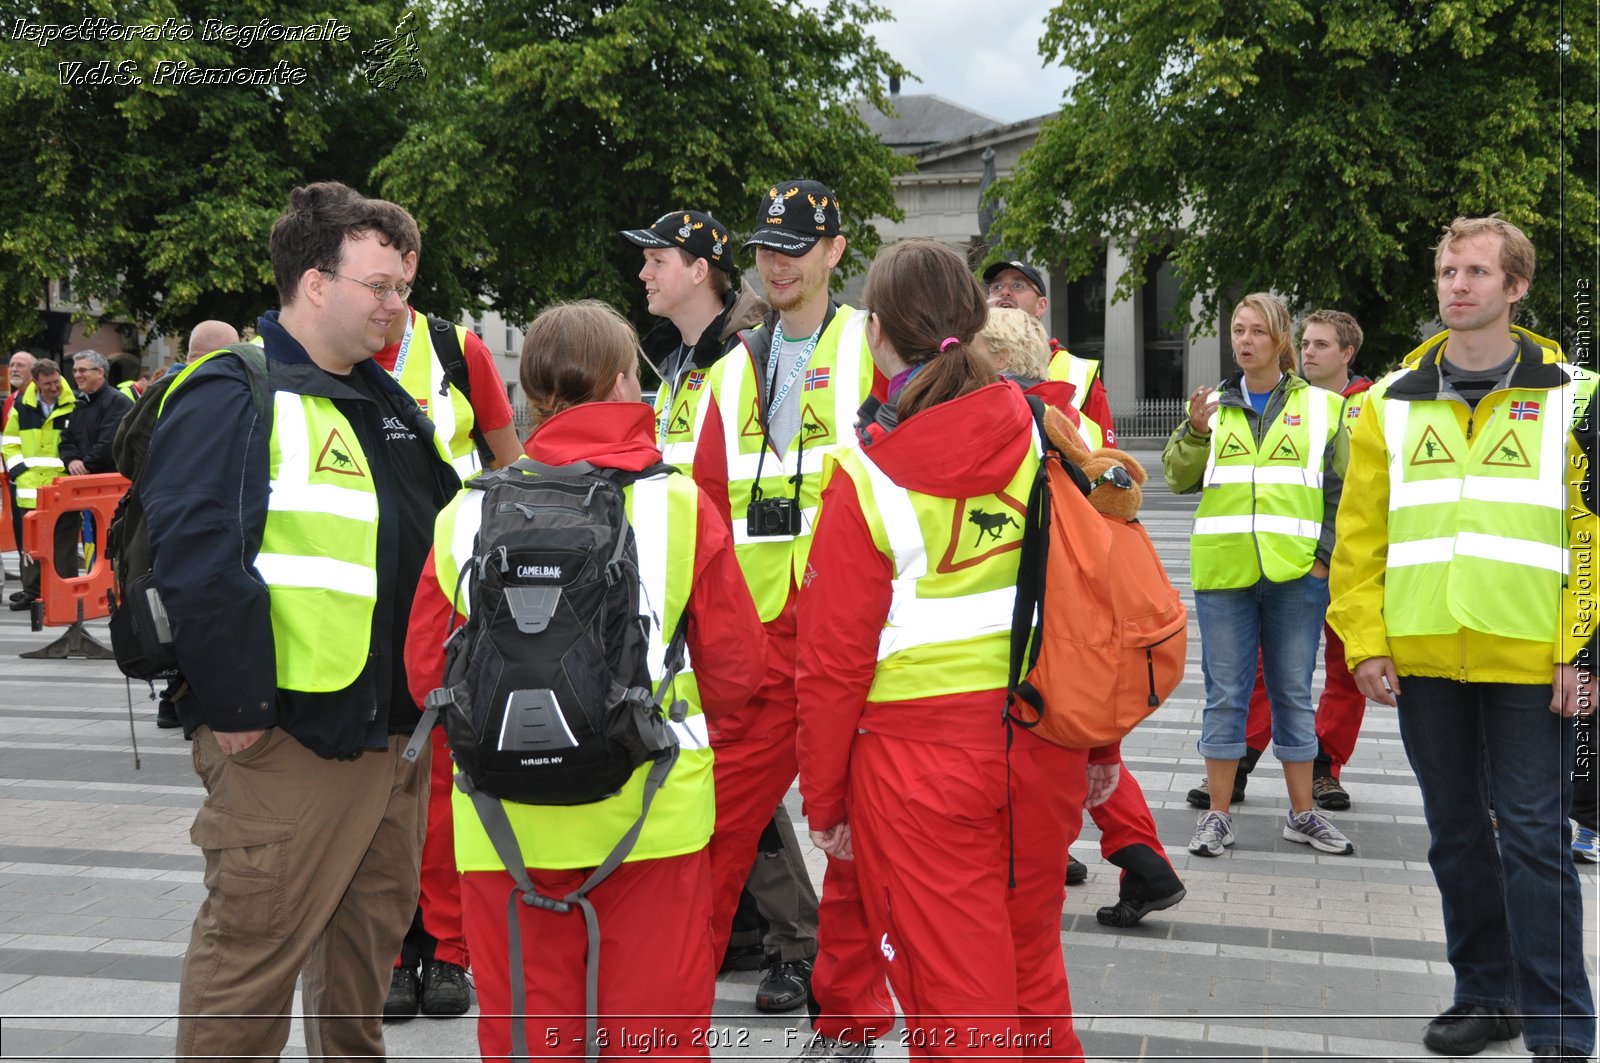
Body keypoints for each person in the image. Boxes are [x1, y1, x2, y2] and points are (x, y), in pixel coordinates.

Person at [141, 181, 459, 1061]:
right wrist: (238, 709)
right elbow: (199, 560)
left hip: (388, 740)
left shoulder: (387, 405)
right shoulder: (233, 392)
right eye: (381, 286)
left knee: (359, 974)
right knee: (250, 961)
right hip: (286, 739)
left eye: (403, 287)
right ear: (315, 284)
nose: (399, 305)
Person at [404, 299, 766, 1061]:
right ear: (623, 380)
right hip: (650, 818)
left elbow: (421, 675)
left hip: (502, 830)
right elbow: (738, 676)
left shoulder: (466, 513)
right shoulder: (677, 504)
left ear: (536, 394)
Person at [800, 238, 1091, 1058]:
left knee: (953, 1003)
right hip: (1037, 742)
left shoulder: (866, 474)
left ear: (878, 336)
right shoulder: (1044, 435)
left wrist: (825, 802)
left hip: (915, 768)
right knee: (1032, 968)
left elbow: (831, 665)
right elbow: (1086, 601)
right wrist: (1097, 742)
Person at [1329, 215, 1597, 1060]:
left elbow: (1590, 535)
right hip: (1425, 655)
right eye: (1448, 270)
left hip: (1531, 657)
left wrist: (1581, 651)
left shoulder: (1575, 394)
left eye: (1478, 271)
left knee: (1532, 835)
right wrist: (1364, 640)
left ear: (1516, 288)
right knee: (1452, 831)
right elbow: (1360, 532)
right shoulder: (1387, 404)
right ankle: (1485, 993)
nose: (1458, 285)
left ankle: (1560, 1027)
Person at [691, 179, 893, 1058]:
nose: (777, 262)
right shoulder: (733, 366)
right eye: (766, 247)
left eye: (796, 247)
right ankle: (660, 1012)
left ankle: (847, 1022)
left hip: (855, 635)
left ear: (835, 253)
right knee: (707, 836)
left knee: (857, 838)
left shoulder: (870, 348)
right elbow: (701, 507)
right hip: (759, 643)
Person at [620, 207, 818, 1009]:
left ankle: (798, 943)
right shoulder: (679, 364)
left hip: (758, 608)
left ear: (700, 268)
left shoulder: (740, 361)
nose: (644, 274)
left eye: (658, 259)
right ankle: (783, 935)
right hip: (699, 603)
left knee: (738, 783)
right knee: (727, 780)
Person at [977, 307, 1186, 928]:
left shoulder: (1018, 425)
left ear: (1000, 362)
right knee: (1085, 747)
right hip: (1077, 636)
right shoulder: (1069, 423)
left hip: (1034, 643)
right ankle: (1143, 862)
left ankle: (1127, 862)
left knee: (1055, 759)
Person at [365, 199, 520, 1021]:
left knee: (449, 779)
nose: (383, 301)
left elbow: (511, 466)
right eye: (368, 280)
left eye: (395, 278)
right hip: (363, 608)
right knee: (384, 781)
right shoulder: (331, 358)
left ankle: (451, 949)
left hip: (458, 602)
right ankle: (392, 948)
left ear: (414, 270)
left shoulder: (459, 353)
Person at [1163, 292, 1353, 859]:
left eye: (1255, 332)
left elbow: (1342, 491)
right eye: (1237, 331)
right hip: (1225, 573)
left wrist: (1323, 557)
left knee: (1293, 693)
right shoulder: (1212, 407)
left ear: (1280, 340)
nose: (1243, 341)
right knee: (1226, 694)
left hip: (1297, 574)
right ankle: (1218, 816)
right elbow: (1176, 478)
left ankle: (1303, 814)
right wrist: (1195, 433)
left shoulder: (1322, 406)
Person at [151, 322, 240, 731]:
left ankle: (176, 700)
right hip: (194, 527)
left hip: (167, 531)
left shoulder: (166, 391)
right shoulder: (208, 391)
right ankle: (186, 703)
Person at [983, 259, 1116, 445]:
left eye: (1017, 285)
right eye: (996, 287)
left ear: (1041, 305)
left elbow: (1107, 460)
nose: (1004, 292)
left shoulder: (1079, 372)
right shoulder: (963, 366)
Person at [3, 359, 78, 610]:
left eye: (56, 381)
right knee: (31, 545)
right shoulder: (23, 407)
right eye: (47, 384)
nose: (53, 387)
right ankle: (32, 592)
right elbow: (10, 441)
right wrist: (18, 470)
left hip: (62, 485)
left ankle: (64, 591)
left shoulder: (74, 404)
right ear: (36, 382)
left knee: (64, 543)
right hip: (31, 486)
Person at [3, 351, 37, 600]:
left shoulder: (37, 397)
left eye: (21, 365)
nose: (14, 369)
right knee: (21, 534)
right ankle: (29, 588)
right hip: (17, 478)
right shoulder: (11, 399)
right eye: (12, 365)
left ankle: (35, 588)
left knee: (34, 535)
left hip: (37, 479)